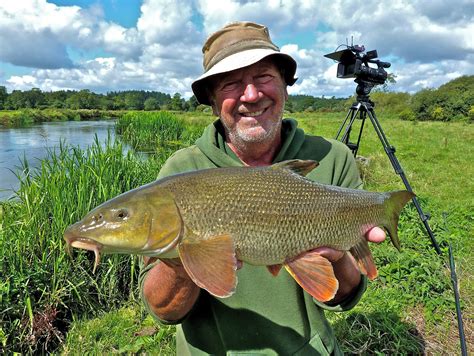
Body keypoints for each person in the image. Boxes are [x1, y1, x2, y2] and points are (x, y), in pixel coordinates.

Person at [140, 21, 386, 355]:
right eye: (231, 83)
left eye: (264, 77)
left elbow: (344, 296)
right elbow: (163, 310)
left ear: (286, 87)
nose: (251, 94)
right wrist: (187, 255)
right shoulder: (181, 173)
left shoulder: (331, 158)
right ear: (212, 102)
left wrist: (338, 257)